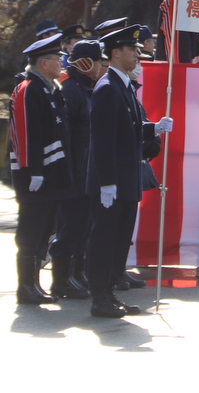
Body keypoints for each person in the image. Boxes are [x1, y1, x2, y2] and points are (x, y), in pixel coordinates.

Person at [87, 25, 172, 317]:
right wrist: (107, 182)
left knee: (120, 238)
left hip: (127, 177)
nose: (137, 54)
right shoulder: (108, 88)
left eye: (138, 50)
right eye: (132, 50)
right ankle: (100, 296)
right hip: (113, 180)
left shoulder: (122, 86)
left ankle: (111, 291)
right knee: (105, 238)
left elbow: (129, 127)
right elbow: (103, 140)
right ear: (115, 53)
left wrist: (153, 127)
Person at [10, 34, 76, 304]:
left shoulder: (50, 87)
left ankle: (34, 284)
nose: (61, 63)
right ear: (43, 62)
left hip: (53, 175)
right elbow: (25, 132)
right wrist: (33, 168)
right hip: (35, 175)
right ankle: (25, 286)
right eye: (57, 59)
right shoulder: (29, 88)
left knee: (45, 228)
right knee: (31, 230)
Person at [49, 39, 106, 300]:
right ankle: (60, 279)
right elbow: (65, 133)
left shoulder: (86, 87)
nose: (100, 65)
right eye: (96, 60)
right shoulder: (70, 89)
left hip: (87, 169)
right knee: (71, 226)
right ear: (85, 62)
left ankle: (76, 273)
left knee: (84, 225)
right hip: (74, 170)